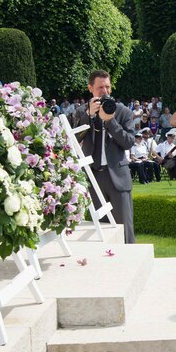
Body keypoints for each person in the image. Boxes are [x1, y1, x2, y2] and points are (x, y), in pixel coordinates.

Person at [72, 70, 137, 243]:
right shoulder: (81, 112)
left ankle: (129, 260)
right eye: (100, 87)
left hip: (117, 176)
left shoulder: (123, 111)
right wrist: (89, 116)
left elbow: (129, 142)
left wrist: (110, 121)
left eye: (107, 87)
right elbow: (74, 139)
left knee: (125, 228)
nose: (105, 91)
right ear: (90, 88)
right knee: (99, 229)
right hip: (94, 177)